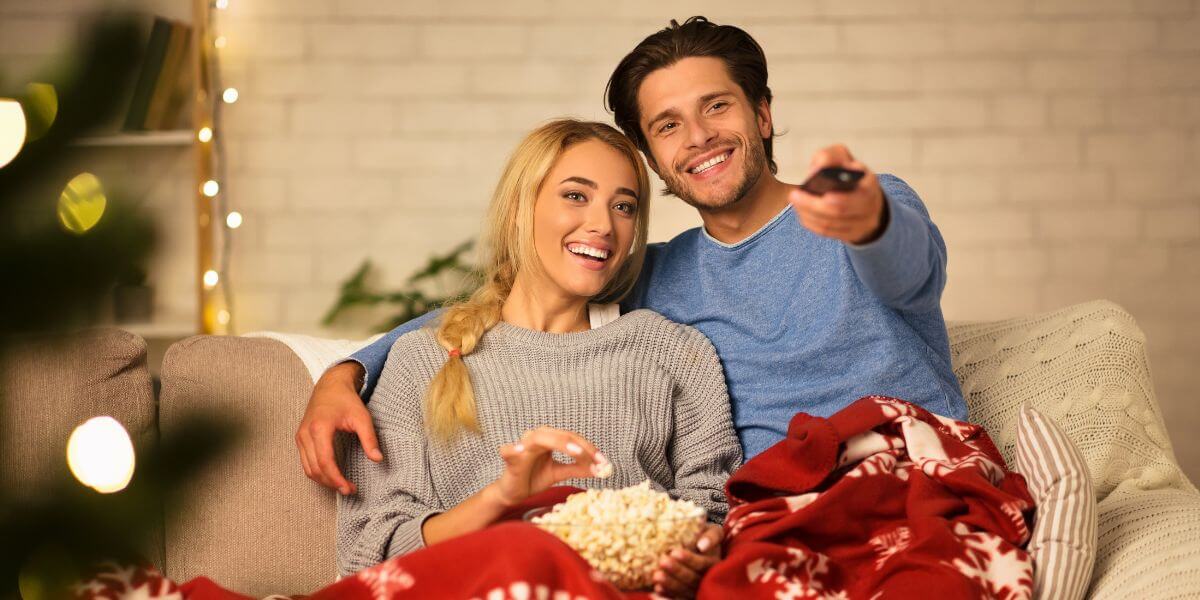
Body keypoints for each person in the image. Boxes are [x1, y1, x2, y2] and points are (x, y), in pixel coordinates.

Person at [303, 14, 965, 590]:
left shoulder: (861, 212)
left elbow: (906, 267)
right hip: (770, 532)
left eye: (718, 107)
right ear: (652, 156)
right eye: (668, 125)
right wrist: (348, 370)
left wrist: (868, 216)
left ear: (762, 114)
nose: (700, 135)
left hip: (903, 487)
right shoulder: (656, 277)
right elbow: (507, 309)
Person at [336, 119, 743, 597]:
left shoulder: (674, 352)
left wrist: (696, 552)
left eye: (624, 206)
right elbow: (373, 549)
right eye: (576, 195)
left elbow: (712, 509)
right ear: (519, 209)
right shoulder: (422, 359)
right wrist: (503, 500)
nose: (602, 224)